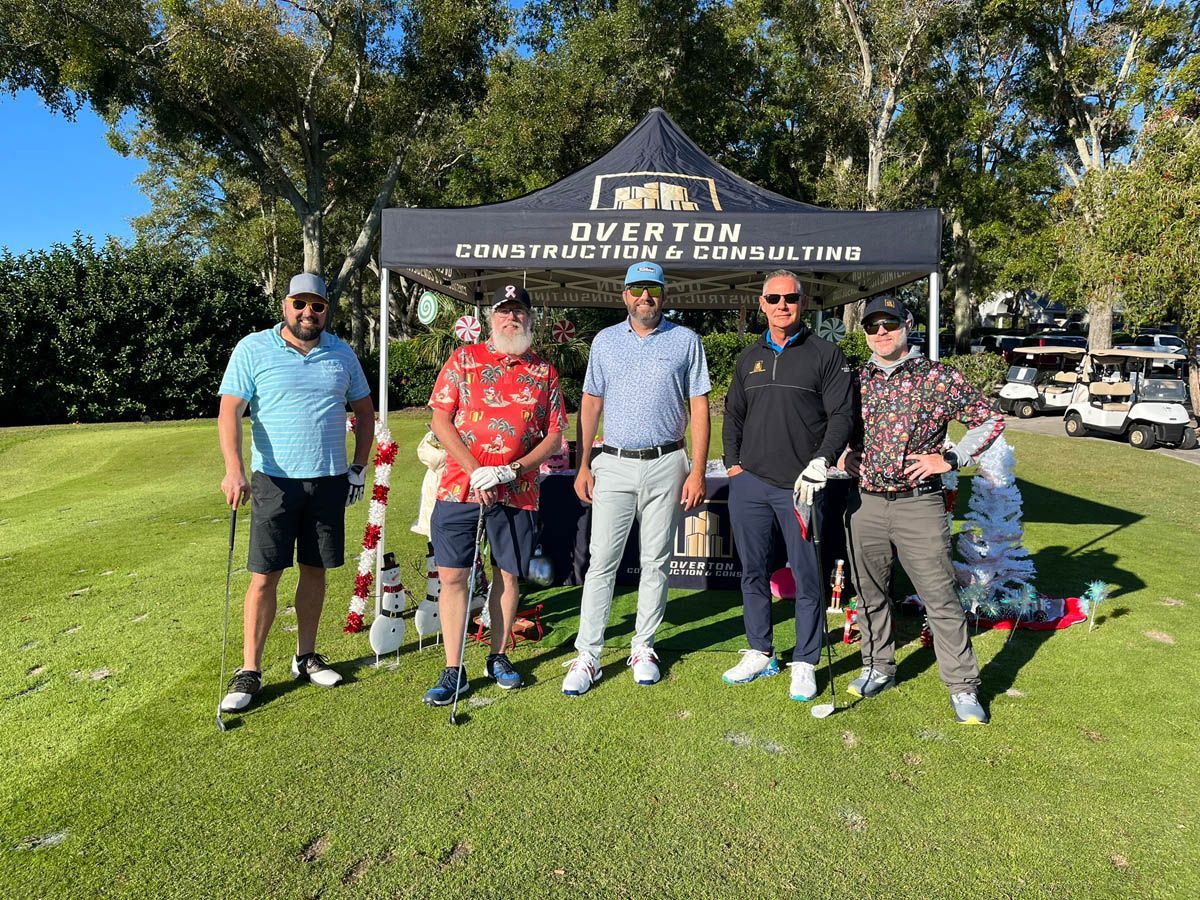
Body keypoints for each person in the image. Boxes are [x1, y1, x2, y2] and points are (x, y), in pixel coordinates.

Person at [217, 273, 375, 713]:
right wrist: (234, 470)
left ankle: (305, 656)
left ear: (327, 309)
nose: (309, 313)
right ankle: (250, 669)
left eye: (317, 306)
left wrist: (358, 467)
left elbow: (364, 411)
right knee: (265, 575)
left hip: (328, 479)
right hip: (274, 480)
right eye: (300, 304)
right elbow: (230, 410)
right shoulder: (253, 348)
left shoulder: (341, 353)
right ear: (285, 305)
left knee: (316, 569)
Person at [843, 296, 1004, 725]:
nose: (881, 333)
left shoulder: (938, 376)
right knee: (870, 593)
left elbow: (989, 419)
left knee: (940, 598)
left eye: (889, 324)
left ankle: (963, 687)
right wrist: (843, 457)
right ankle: (878, 667)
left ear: (907, 325)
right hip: (867, 504)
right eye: (873, 326)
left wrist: (951, 460)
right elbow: (835, 430)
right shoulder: (857, 379)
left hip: (920, 505)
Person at [562, 261, 711, 695]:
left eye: (653, 289)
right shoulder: (605, 342)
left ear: (664, 295)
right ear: (624, 295)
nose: (645, 297)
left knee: (656, 561)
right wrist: (583, 462)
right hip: (614, 462)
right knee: (601, 562)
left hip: (668, 462)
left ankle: (643, 646)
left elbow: (699, 406)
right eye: (637, 289)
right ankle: (588, 653)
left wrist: (697, 469)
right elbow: (590, 403)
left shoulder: (686, 340)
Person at [423, 284, 568, 705]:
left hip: (518, 491)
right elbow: (439, 420)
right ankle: (454, 668)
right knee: (453, 575)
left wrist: (511, 470)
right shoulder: (464, 359)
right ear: (491, 318)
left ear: (529, 319)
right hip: (459, 487)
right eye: (504, 312)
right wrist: (477, 470)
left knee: (507, 573)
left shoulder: (544, 371)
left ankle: (498, 656)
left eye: (519, 312)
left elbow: (555, 436)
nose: (512, 319)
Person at [722, 270, 855, 701]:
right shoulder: (749, 357)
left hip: (802, 487)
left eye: (791, 298)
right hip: (751, 485)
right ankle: (760, 649)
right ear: (762, 304)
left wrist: (822, 459)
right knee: (753, 571)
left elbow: (841, 417)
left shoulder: (825, 354)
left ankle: (805, 660)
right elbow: (734, 416)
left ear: (803, 302)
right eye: (774, 298)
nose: (783, 305)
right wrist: (734, 468)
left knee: (806, 576)